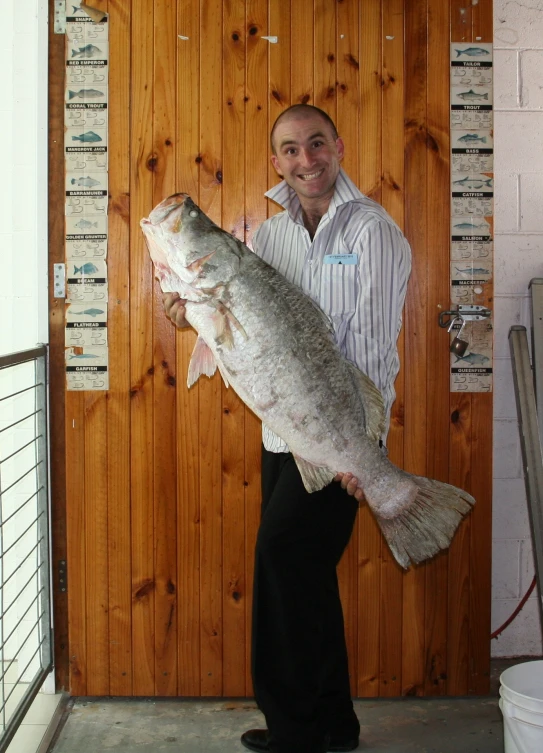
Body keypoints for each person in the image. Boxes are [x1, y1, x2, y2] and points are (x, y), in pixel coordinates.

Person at [163, 104, 411, 753]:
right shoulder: (268, 237)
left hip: (339, 433)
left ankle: (296, 730)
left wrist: (362, 449)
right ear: (275, 160)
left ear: (337, 146)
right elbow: (250, 328)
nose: (305, 160)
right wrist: (193, 315)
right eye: (290, 149)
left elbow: (374, 348)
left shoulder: (371, 231)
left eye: (316, 144)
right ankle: (333, 723)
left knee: (281, 560)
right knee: (302, 573)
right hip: (283, 433)